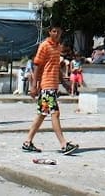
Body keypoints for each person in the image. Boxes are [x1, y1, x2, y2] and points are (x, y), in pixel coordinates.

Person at [22, 25, 78, 155]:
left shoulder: (58, 47)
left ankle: (27, 142)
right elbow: (36, 65)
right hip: (46, 85)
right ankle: (64, 145)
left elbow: (57, 67)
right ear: (49, 32)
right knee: (55, 114)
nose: (57, 34)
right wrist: (34, 86)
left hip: (53, 84)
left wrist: (64, 82)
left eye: (59, 31)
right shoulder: (44, 46)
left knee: (42, 114)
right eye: (54, 31)